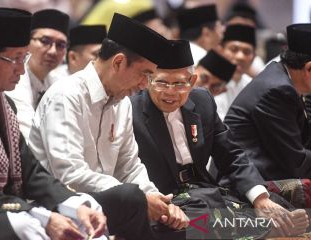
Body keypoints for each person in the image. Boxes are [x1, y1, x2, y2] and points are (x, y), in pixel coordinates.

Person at [0, 8, 107, 240]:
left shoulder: (3, 104)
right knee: (28, 228)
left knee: (84, 218)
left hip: (2, 204)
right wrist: (40, 214)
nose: (21, 70)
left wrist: (73, 202)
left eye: (24, 58)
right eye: (14, 59)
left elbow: (31, 171)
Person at [29, 12, 189, 235]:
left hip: (111, 202)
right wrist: (141, 198)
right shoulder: (66, 96)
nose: (145, 85)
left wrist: (159, 201)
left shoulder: (122, 101)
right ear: (119, 62)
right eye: (144, 74)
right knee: (131, 198)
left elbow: (130, 165)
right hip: (63, 204)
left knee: (178, 220)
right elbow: (69, 174)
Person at [131, 39, 309, 238]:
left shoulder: (202, 101)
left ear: (192, 81)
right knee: (192, 221)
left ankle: (262, 223)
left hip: (204, 188)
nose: (170, 92)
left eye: (179, 83)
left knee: (268, 198)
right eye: (162, 82)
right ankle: (261, 227)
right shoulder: (131, 109)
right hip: (165, 196)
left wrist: (260, 199)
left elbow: (231, 154)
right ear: (148, 80)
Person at [223, 23, 311, 209]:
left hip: (269, 176)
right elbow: (296, 162)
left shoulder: (283, 79)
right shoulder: (278, 90)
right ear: (309, 68)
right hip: (245, 187)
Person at [6, 9, 69, 140]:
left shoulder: (59, 82)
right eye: (45, 41)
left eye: (60, 45)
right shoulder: (15, 78)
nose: (53, 51)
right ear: (27, 43)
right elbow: (28, 135)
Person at [214, 24, 256, 120]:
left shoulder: (252, 85)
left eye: (247, 52)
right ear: (221, 50)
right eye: (234, 49)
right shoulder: (210, 82)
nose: (240, 57)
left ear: (253, 57)